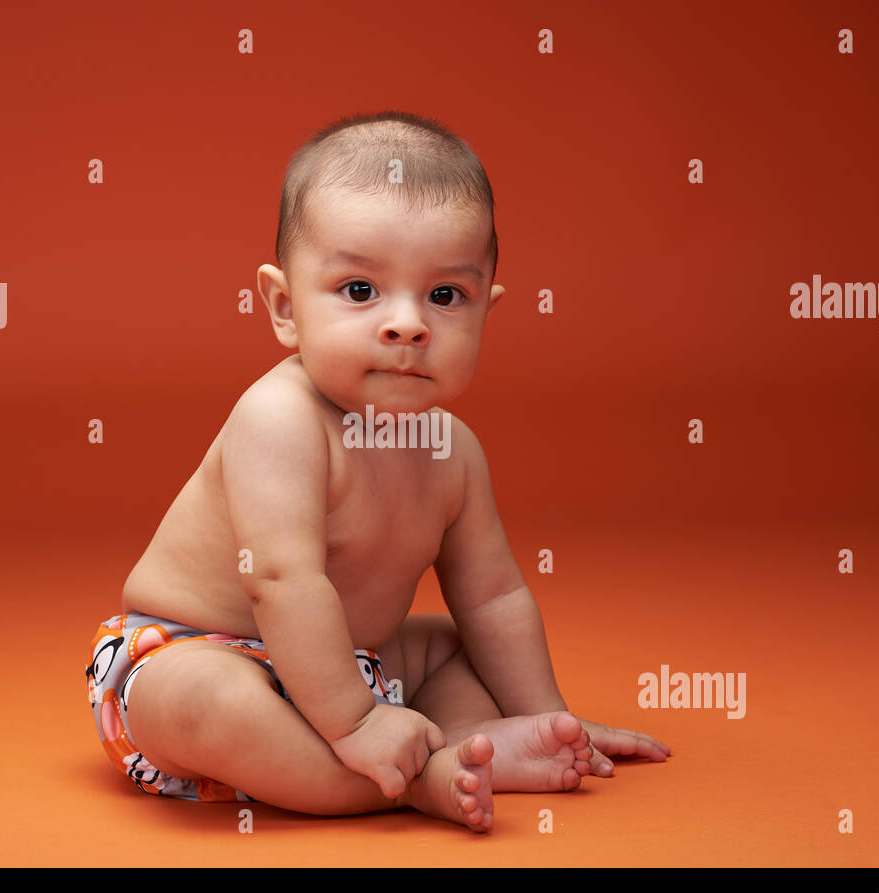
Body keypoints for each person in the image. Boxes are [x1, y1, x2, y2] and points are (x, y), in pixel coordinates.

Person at [85, 109, 669, 832]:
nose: (406, 324)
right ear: (284, 307)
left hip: (352, 663)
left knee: (456, 645)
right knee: (208, 701)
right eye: (360, 291)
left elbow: (493, 596)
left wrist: (548, 713)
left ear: (487, 310)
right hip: (198, 651)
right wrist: (356, 719)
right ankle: (414, 778)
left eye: (444, 296)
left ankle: (476, 743)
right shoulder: (280, 419)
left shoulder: (452, 451)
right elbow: (281, 581)